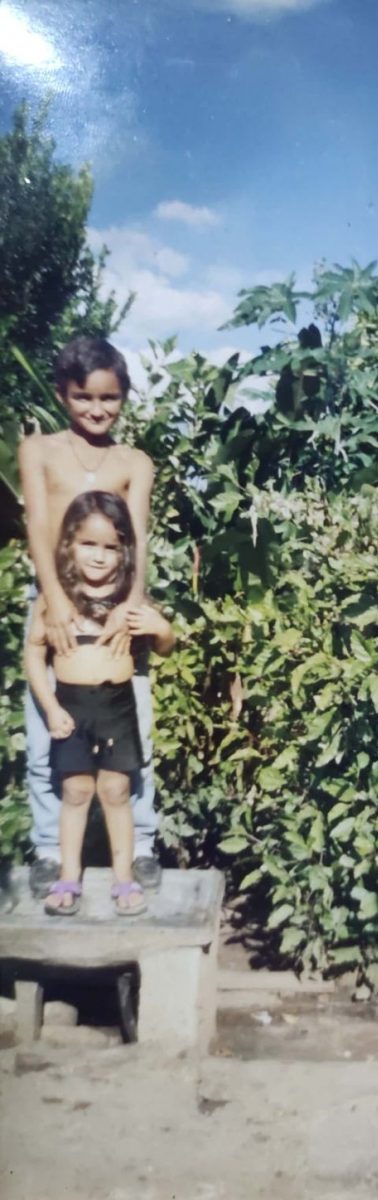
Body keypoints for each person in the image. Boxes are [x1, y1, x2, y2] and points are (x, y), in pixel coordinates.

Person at [18, 336, 161, 897]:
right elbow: (36, 526)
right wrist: (53, 599)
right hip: (57, 596)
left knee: (132, 723)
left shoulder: (134, 462)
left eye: (109, 398)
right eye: (83, 398)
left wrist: (133, 604)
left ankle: (142, 845)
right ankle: (51, 850)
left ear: (123, 397)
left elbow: (139, 539)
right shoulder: (40, 450)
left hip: (119, 602)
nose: (97, 409)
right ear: (63, 395)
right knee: (46, 726)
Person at [24, 492, 174, 915]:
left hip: (116, 706)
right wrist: (51, 708)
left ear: (125, 550)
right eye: (89, 544)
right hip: (71, 706)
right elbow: (34, 657)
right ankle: (68, 876)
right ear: (69, 543)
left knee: (116, 790)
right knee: (75, 791)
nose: (100, 556)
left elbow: (165, 647)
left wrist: (160, 628)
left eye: (111, 547)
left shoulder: (130, 598)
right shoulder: (55, 602)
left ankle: (124, 880)